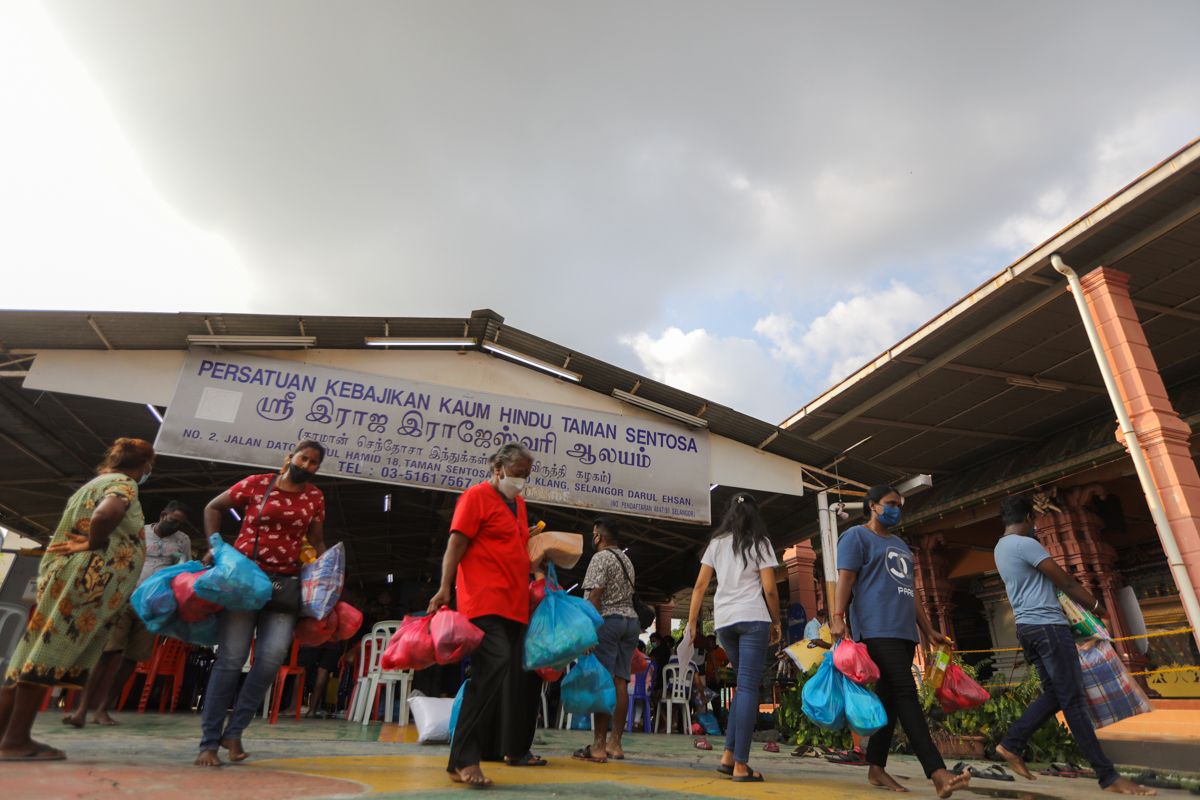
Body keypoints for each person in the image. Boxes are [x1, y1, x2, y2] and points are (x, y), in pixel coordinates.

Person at [0, 437, 154, 761]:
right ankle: (15, 741)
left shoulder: (96, 481)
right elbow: (105, 515)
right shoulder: (124, 484)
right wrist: (92, 544)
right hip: (85, 584)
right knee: (48, 656)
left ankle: (6, 735)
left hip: (67, 579)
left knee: (29, 656)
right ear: (145, 465)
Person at [991, 496, 1154, 796]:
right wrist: (1097, 608)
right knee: (1074, 700)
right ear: (1028, 517)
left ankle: (1011, 743)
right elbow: (1065, 581)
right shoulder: (1026, 544)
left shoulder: (1000, 548)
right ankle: (1108, 776)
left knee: (1057, 693)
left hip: (1027, 629)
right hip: (1049, 628)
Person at [194, 440, 327, 767]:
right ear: (290, 457)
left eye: (314, 463)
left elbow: (317, 538)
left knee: (270, 659)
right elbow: (214, 507)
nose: (307, 465)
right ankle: (209, 743)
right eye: (304, 458)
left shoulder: (315, 497)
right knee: (231, 659)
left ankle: (234, 731)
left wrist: (325, 575)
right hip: (244, 579)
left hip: (285, 586)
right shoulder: (257, 484)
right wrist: (215, 545)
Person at [831, 485, 969, 798]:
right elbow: (846, 578)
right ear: (872, 506)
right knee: (907, 693)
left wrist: (929, 629)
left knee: (891, 700)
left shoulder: (900, 544)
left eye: (899, 504)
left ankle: (876, 767)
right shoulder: (856, 537)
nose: (896, 509)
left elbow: (911, 591)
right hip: (876, 629)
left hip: (904, 631)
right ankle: (937, 772)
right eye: (890, 503)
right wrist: (838, 616)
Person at [427, 443, 540, 789]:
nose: (521, 480)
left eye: (526, 475)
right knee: (494, 666)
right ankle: (465, 758)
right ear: (497, 468)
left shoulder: (518, 504)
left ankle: (459, 758)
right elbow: (456, 545)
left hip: (513, 604)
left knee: (493, 675)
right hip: (482, 601)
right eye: (517, 473)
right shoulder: (475, 498)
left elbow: (513, 547)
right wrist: (445, 587)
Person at [64, 500, 192, 727]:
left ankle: (103, 710)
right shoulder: (139, 533)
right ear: (163, 514)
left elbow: (185, 572)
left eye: (179, 524)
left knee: (132, 658)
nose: (174, 527)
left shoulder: (183, 541)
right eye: (172, 521)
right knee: (108, 654)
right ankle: (81, 710)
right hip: (123, 599)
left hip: (153, 607)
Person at [684, 492, 781, 783]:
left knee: (743, 687)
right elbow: (771, 590)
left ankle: (728, 756)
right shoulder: (760, 543)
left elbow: (700, 585)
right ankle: (741, 764)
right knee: (749, 688)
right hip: (752, 619)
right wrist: (776, 621)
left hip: (725, 622)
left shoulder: (716, 544)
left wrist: (691, 623)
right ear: (755, 515)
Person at [573, 516, 639, 763]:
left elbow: (595, 597)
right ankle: (616, 744)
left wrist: (588, 632)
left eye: (594, 534)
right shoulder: (627, 559)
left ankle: (598, 746)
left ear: (598, 536)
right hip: (630, 623)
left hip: (608, 622)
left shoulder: (599, 558)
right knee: (620, 682)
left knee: (602, 682)